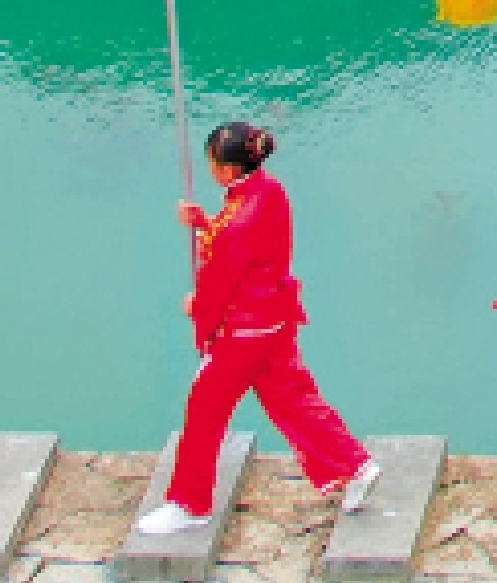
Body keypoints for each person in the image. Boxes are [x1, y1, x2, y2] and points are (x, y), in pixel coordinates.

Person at [136, 122, 380, 535]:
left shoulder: (236, 223)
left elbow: (219, 282)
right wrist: (202, 224)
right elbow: (248, 249)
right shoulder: (269, 191)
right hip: (275, 320)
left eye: (212, 162)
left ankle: (189, 503)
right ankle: (355, 465)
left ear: (228, 172)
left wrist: (197, 312)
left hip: (243, 334)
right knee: (294, 401)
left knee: (204, 413)